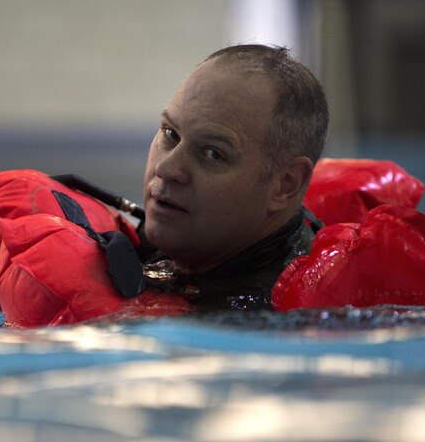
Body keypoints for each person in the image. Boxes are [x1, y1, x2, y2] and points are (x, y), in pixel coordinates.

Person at [138, 44, 329, 311]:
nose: (167, 168)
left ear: (286, 184)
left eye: (213, 154)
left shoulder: (264, 320)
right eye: (171, 134)